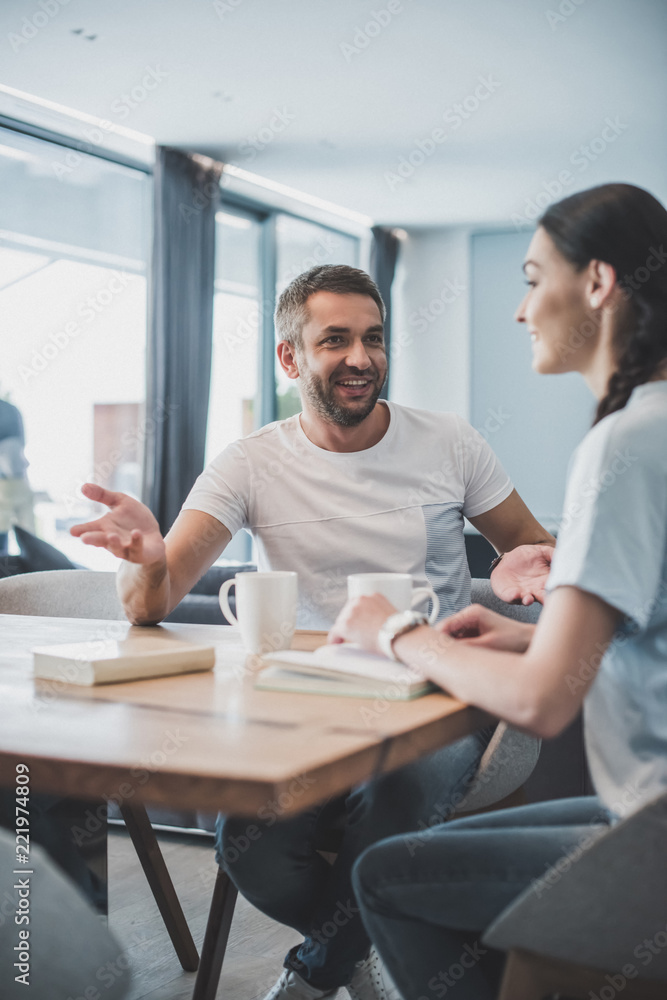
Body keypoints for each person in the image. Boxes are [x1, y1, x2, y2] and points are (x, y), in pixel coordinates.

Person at [71, 264, 555, 1000]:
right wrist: (143, 561)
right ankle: (362, 944)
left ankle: (311, 976)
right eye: (336, 340)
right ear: (291, 358)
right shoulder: (249, 463)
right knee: (250, 848)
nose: (361, 357)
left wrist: (528, 563)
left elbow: (534, 550)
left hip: (434, 701)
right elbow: (154, 603)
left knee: (394, 801)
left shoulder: (450, 444)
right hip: (304, 710)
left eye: (373, 338)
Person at [327, 184, 667, 1000]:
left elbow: (543, 707)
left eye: (528, 277)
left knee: (386, 879)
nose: (520, 311)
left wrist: (401, 634)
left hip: (650, 834)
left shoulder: (625, 440)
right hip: (641, 815)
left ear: (596, 283)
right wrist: (528, 637)